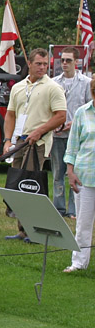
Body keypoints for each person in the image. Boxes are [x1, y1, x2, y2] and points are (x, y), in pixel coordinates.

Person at [2, 48, 67, 242]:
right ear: (29, 64)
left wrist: (40, 131)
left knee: (30, 186)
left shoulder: (53, 87)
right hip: (19, 141)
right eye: (38, 63)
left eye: (45, 64)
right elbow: (11, 114)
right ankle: (22, 229)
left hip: (38, 143)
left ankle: (35, 230)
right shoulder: (18, 87)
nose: (42, 67)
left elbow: (61, 115)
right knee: (17, 186)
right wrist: (7, 140)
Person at [51, 48, 91, 218]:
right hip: (57, 134)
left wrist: (74, 123)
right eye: (62, 60)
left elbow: (90, 108)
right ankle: (59, 209)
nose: (65, 64)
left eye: (68, 60)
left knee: (74, 173)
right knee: (57, 173)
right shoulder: (53, 82)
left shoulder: (86, 82)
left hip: (78, 136)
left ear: (77, 62)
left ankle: (74, 209)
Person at [63, 79, 95, 273]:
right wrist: (70, 170)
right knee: (83, 223)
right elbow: (73, 145)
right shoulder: (82, 112)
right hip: (85, 175)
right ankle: (79, 262)